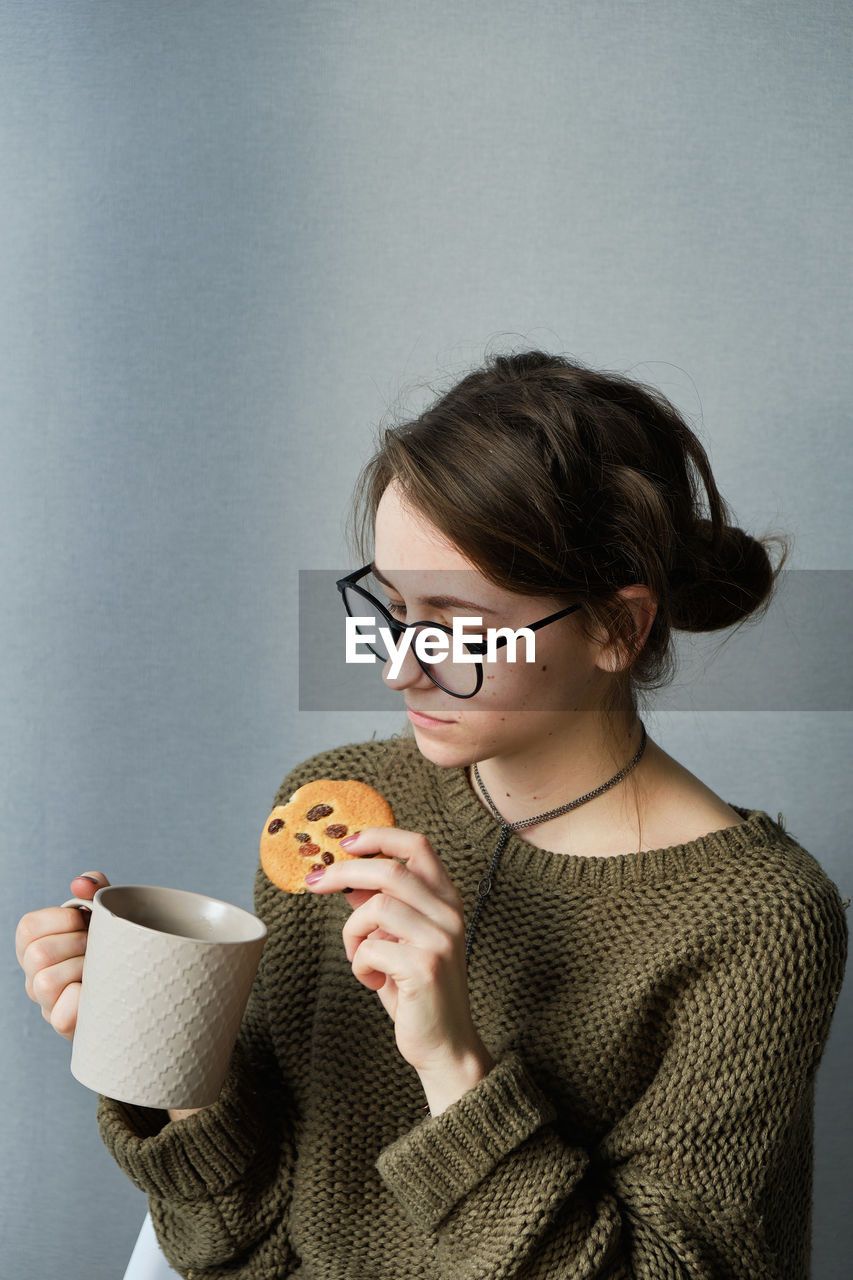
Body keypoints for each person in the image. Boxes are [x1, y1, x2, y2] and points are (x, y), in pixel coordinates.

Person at [16, 351, 849, 1279]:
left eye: (454, 626)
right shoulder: (332, 810)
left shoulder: (757, 918)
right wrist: (169, 1052)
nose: (399, 669)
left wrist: (452, 1060)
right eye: (395, 607)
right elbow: (230, 1249)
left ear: (618, 626)